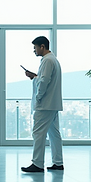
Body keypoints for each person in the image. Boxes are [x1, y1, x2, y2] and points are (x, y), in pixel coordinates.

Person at [22, 36, 63, 172]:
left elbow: (44, 81)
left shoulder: (47, 61)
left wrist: (38, 96)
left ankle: (37, 163)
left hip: (45, 104)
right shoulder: (53, 60)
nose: (34, 51)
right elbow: (44, 79)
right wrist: (35, 77)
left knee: (38, 133)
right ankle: (58, 162)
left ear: (42, 47)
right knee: (54, 134)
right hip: (53, 104)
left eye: (35, 48)